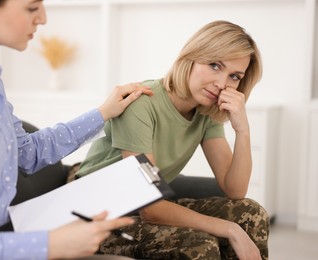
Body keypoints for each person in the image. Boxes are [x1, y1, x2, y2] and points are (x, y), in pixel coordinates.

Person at [0, 0, 154, 259]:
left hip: (6, 238)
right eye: (32, 8)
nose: (43, 18)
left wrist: (103, 113)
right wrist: (48, 245)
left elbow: (28, 153)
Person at [76, 20, 269, 259]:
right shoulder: (142, 103)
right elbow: (152, 208)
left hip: (144, 205)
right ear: (192, 57)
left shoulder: (206, 112)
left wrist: (243, 130)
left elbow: (235, 190)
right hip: (97, 213)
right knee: (200, 244)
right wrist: (230, 229)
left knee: (251, 213)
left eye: (234, 76)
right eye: (215, 65)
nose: (221, 84)